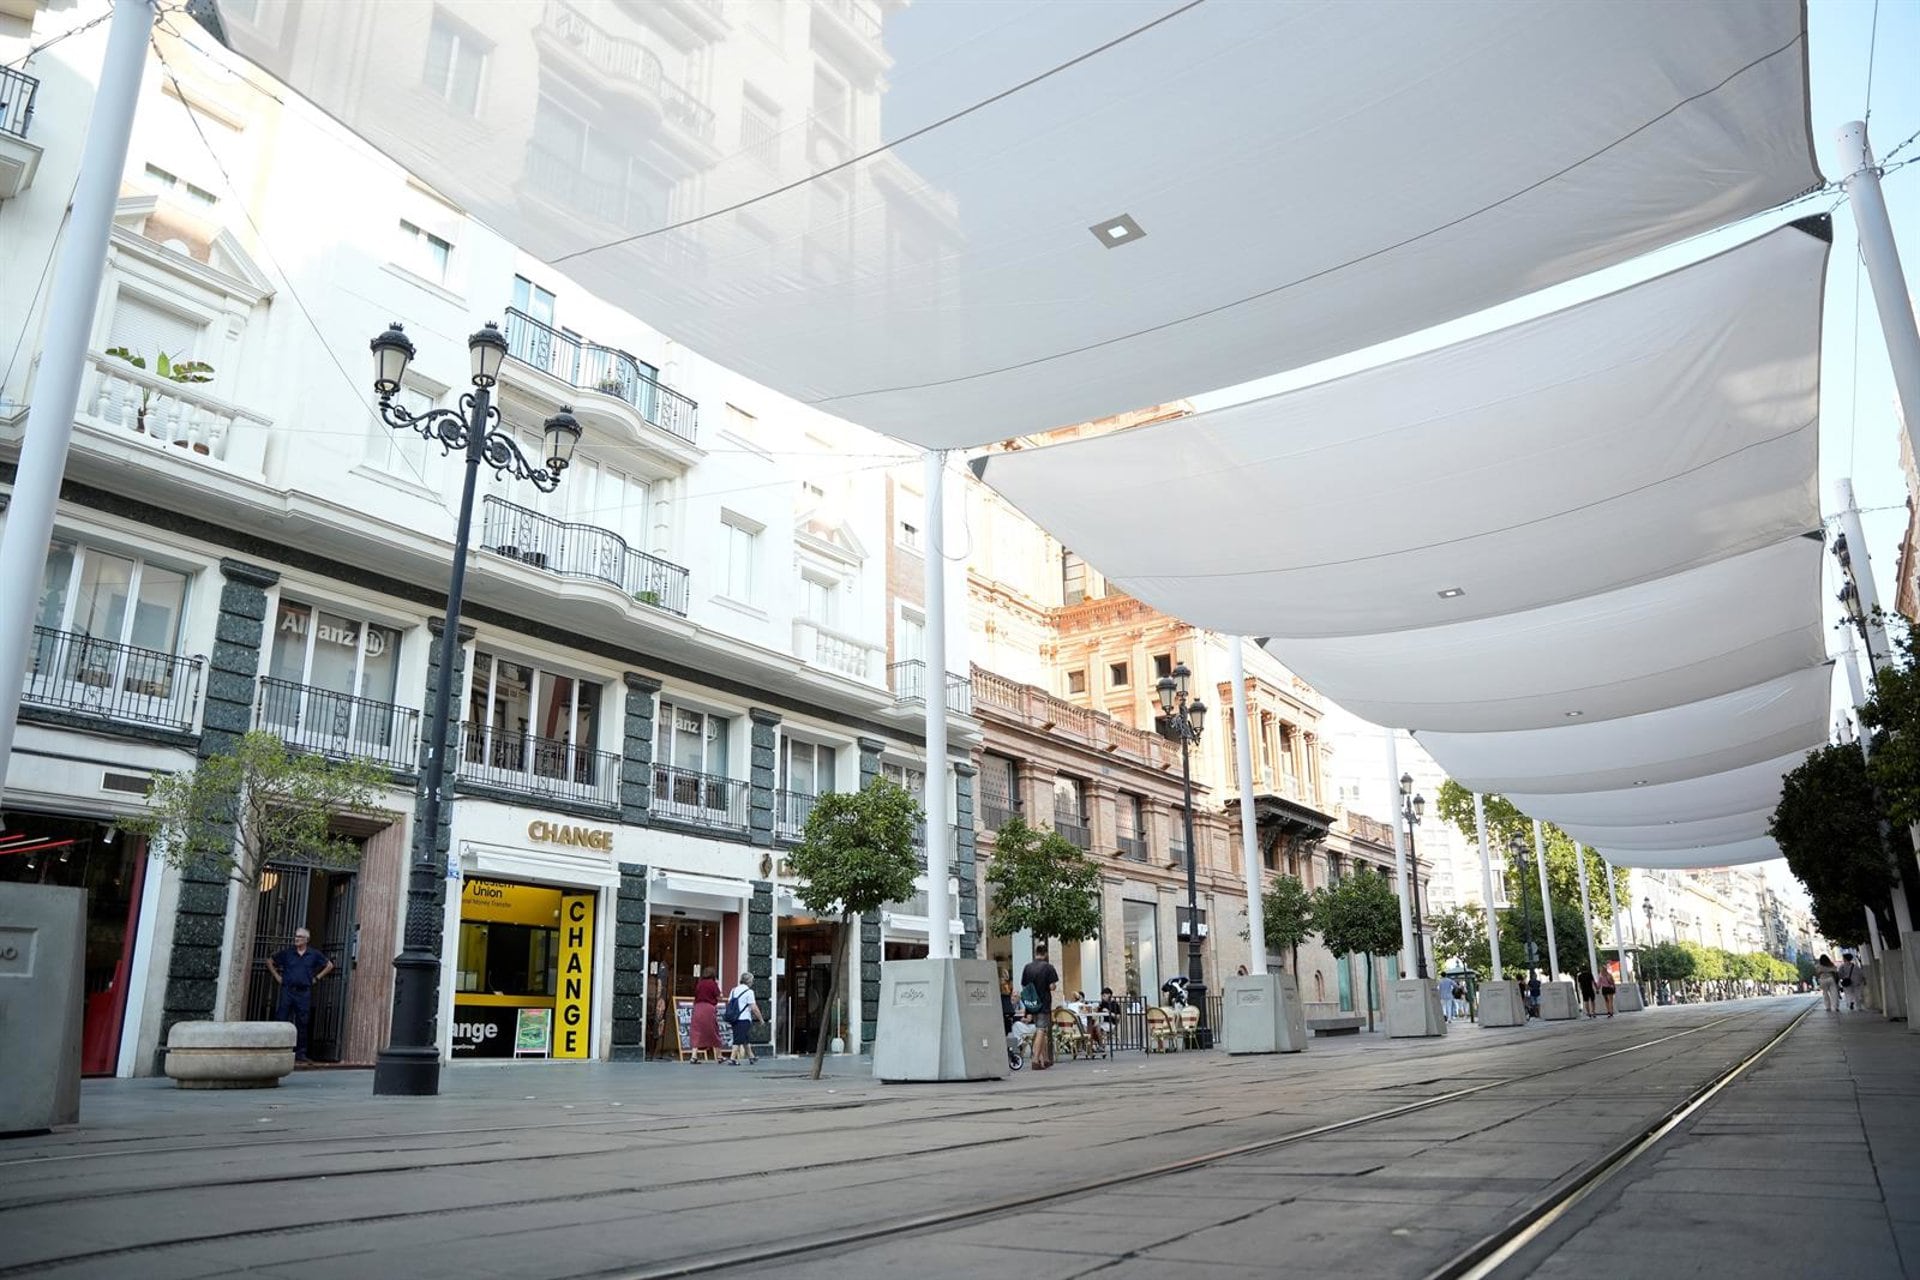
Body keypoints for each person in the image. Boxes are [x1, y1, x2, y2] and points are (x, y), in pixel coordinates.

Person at [267, 927, 334, 1063]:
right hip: (288, 990)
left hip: (304, 992)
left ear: (306, 940)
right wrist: (277, 976)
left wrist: (317, 978)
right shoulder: (288, 953)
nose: (296, 939)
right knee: (281, 1019)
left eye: (299, 937)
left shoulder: (313, 954)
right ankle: (278, 1049)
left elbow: (329, 965)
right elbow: (270, 961)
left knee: (303, 1022)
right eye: (296, 936)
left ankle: (300, 1053)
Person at [1019, 943, 1060, 1069]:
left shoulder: (1027, 967)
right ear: (1046, 953)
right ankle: (1036, 1059)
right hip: (1043, 1002)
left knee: (1041, 1029)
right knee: (1041, 1029)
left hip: (1032, 1003)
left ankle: (1046, 1059)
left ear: (1035, 953)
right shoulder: (1048, 967)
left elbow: (1024, 985)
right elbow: (1052, 986)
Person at [724, 972, 761, 1065]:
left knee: (744, 1038)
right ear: (749, 981)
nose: (752, 982)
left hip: (734, 1018)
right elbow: (754, 1007)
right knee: (738, 1039)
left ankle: (751, 1057)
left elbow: (729, 1003)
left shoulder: (733, 990)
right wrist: (761, 1019)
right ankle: (732, 1059)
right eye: (752, 980)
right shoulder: (749, 992)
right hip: (744, 1019)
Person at [690, 970, 724, 1060]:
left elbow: (695, 995)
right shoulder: (713, 984)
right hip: (709, 1008)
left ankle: (693, 1056)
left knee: (696, 1031)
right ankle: (719, 1055)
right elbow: (719, 996)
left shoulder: (699, 984)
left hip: (697, 1007)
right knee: (713, 1030)